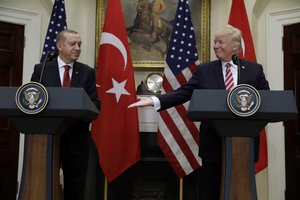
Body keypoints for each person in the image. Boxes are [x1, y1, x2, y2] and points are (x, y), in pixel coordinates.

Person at [128, 24, 270, 200]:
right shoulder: (205, 70)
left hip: (244, 146)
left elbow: (266, 100)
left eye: (220, 42)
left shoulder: (254, 70)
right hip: (213, 144)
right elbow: (183, 92)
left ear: (235, 46)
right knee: (210, 192)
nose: (215, 46)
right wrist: (155, 100)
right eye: (214, 42)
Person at [30, 29, 101, 200]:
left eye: (79, 44)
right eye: (72, 44)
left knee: (75, 187)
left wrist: (81, 110)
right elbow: (31, 98)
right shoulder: (42, 70)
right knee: (44, 181)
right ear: (59, 46)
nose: (77, 48)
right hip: (47, 138)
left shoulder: (87, 72)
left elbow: (96, 104)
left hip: (76, 138)